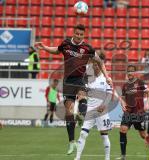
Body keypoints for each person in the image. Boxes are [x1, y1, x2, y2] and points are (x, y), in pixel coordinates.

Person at [35, 24, 112, 155]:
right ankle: (71, 141)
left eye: (81, 34)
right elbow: (57, 50)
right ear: (74, 33)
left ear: (84, 35)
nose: (79, 36)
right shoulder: (65, 44)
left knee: (82, 96)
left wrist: (107, 76)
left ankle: (83, 114)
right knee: (69, 111)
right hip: (68, 81)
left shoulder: (87, 48)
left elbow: (100, 62)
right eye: (77, 33)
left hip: (80, 79)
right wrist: (44, 47)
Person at [75, 55, 112, 160]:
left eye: (97, 65)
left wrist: (104, 105)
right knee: (83, 133)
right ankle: (77, 158)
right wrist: (81, 96)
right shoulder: (89, 78)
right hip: (90, 110)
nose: (95, 67)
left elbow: (109, 94)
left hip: (102, 110)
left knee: (104, 135)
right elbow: (85, 92)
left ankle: (107, 158)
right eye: (93, 65)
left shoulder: (106, 78)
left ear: (100, 66)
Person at [118, 65, 149, 160]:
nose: (129, 73)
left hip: (139, 112)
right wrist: (122, 104)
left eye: (131, 71)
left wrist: (147, 103)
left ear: (135, 73)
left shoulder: (140, 82)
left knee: (143, 135)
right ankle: (123, 156)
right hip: (128, 112)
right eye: (128, 71)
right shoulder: (125, 85)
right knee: (122, 129)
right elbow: (122, 97)